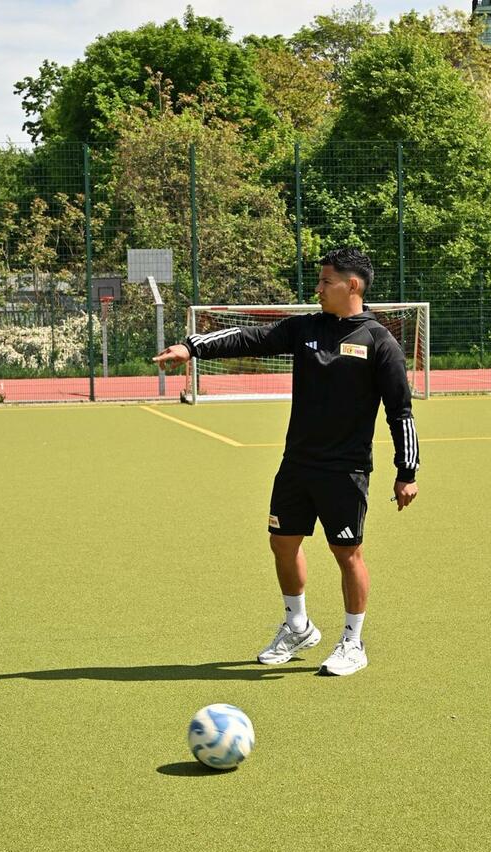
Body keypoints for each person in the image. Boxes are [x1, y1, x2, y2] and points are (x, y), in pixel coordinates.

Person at [153, 248, 419, 676]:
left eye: (326, 281)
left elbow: (400, 412)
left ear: (352, 285)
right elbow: (247, 337)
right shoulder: (305, 329)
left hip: (345, 470)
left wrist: (407, 472)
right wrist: (191, 347)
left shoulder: (379, 341)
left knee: (346, 552)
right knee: (282, 543)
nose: (318, 288)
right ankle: (298, 626)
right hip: (296, 464)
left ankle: (353, 642)